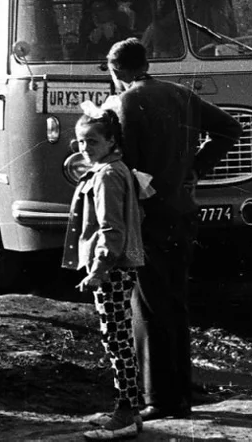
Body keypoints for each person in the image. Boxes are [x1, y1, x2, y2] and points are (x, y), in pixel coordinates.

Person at [107, 38, 241, 422]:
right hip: (182, 212)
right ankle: (180, 392)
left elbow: (122, 160)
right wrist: (196, 169)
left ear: (118, 71)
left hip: (145, 216)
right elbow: (229, 129)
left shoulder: (121, 104)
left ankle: (159, 399)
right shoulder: (181, 94)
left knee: (147, 306)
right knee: (175, 302)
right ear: (145, 62)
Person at [63, 101, 146, 440]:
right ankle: (128, 410)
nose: (85, 148)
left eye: (92, 142)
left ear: (111, 142)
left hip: (112, 268)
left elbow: (111, 230)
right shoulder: (114, 169)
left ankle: (125, 414)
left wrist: (98, 269)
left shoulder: (107, 176)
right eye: (81, 142)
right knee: (119, 337)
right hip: (118, 266)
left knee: (117, 339)